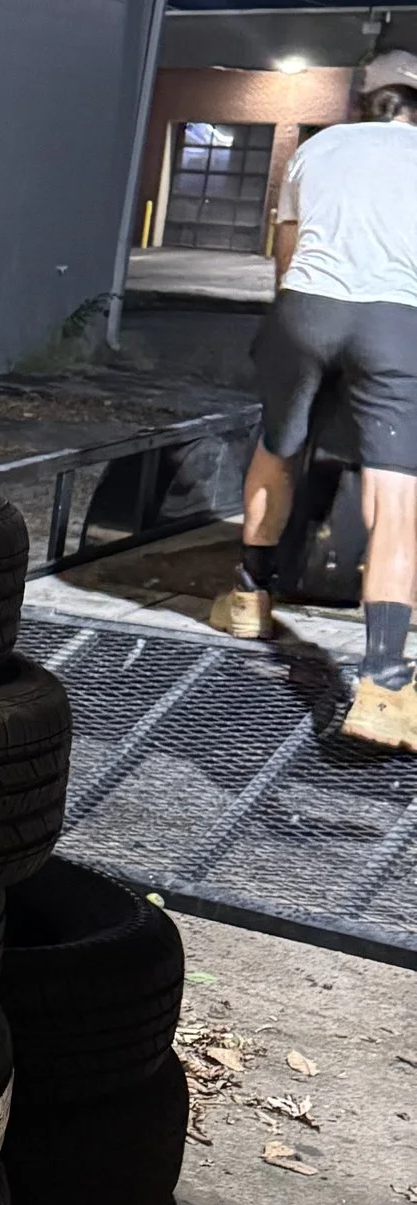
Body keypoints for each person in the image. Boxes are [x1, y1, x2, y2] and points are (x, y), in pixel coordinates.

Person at [211, 48, 417, 747]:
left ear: (360, 101)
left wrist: (294, 339)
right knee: (396, 497)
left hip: (306, 309)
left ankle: (249, 595)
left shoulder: (318, 148)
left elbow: (288, 253)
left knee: (278, 446)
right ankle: (384, 685)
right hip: (395, 318)